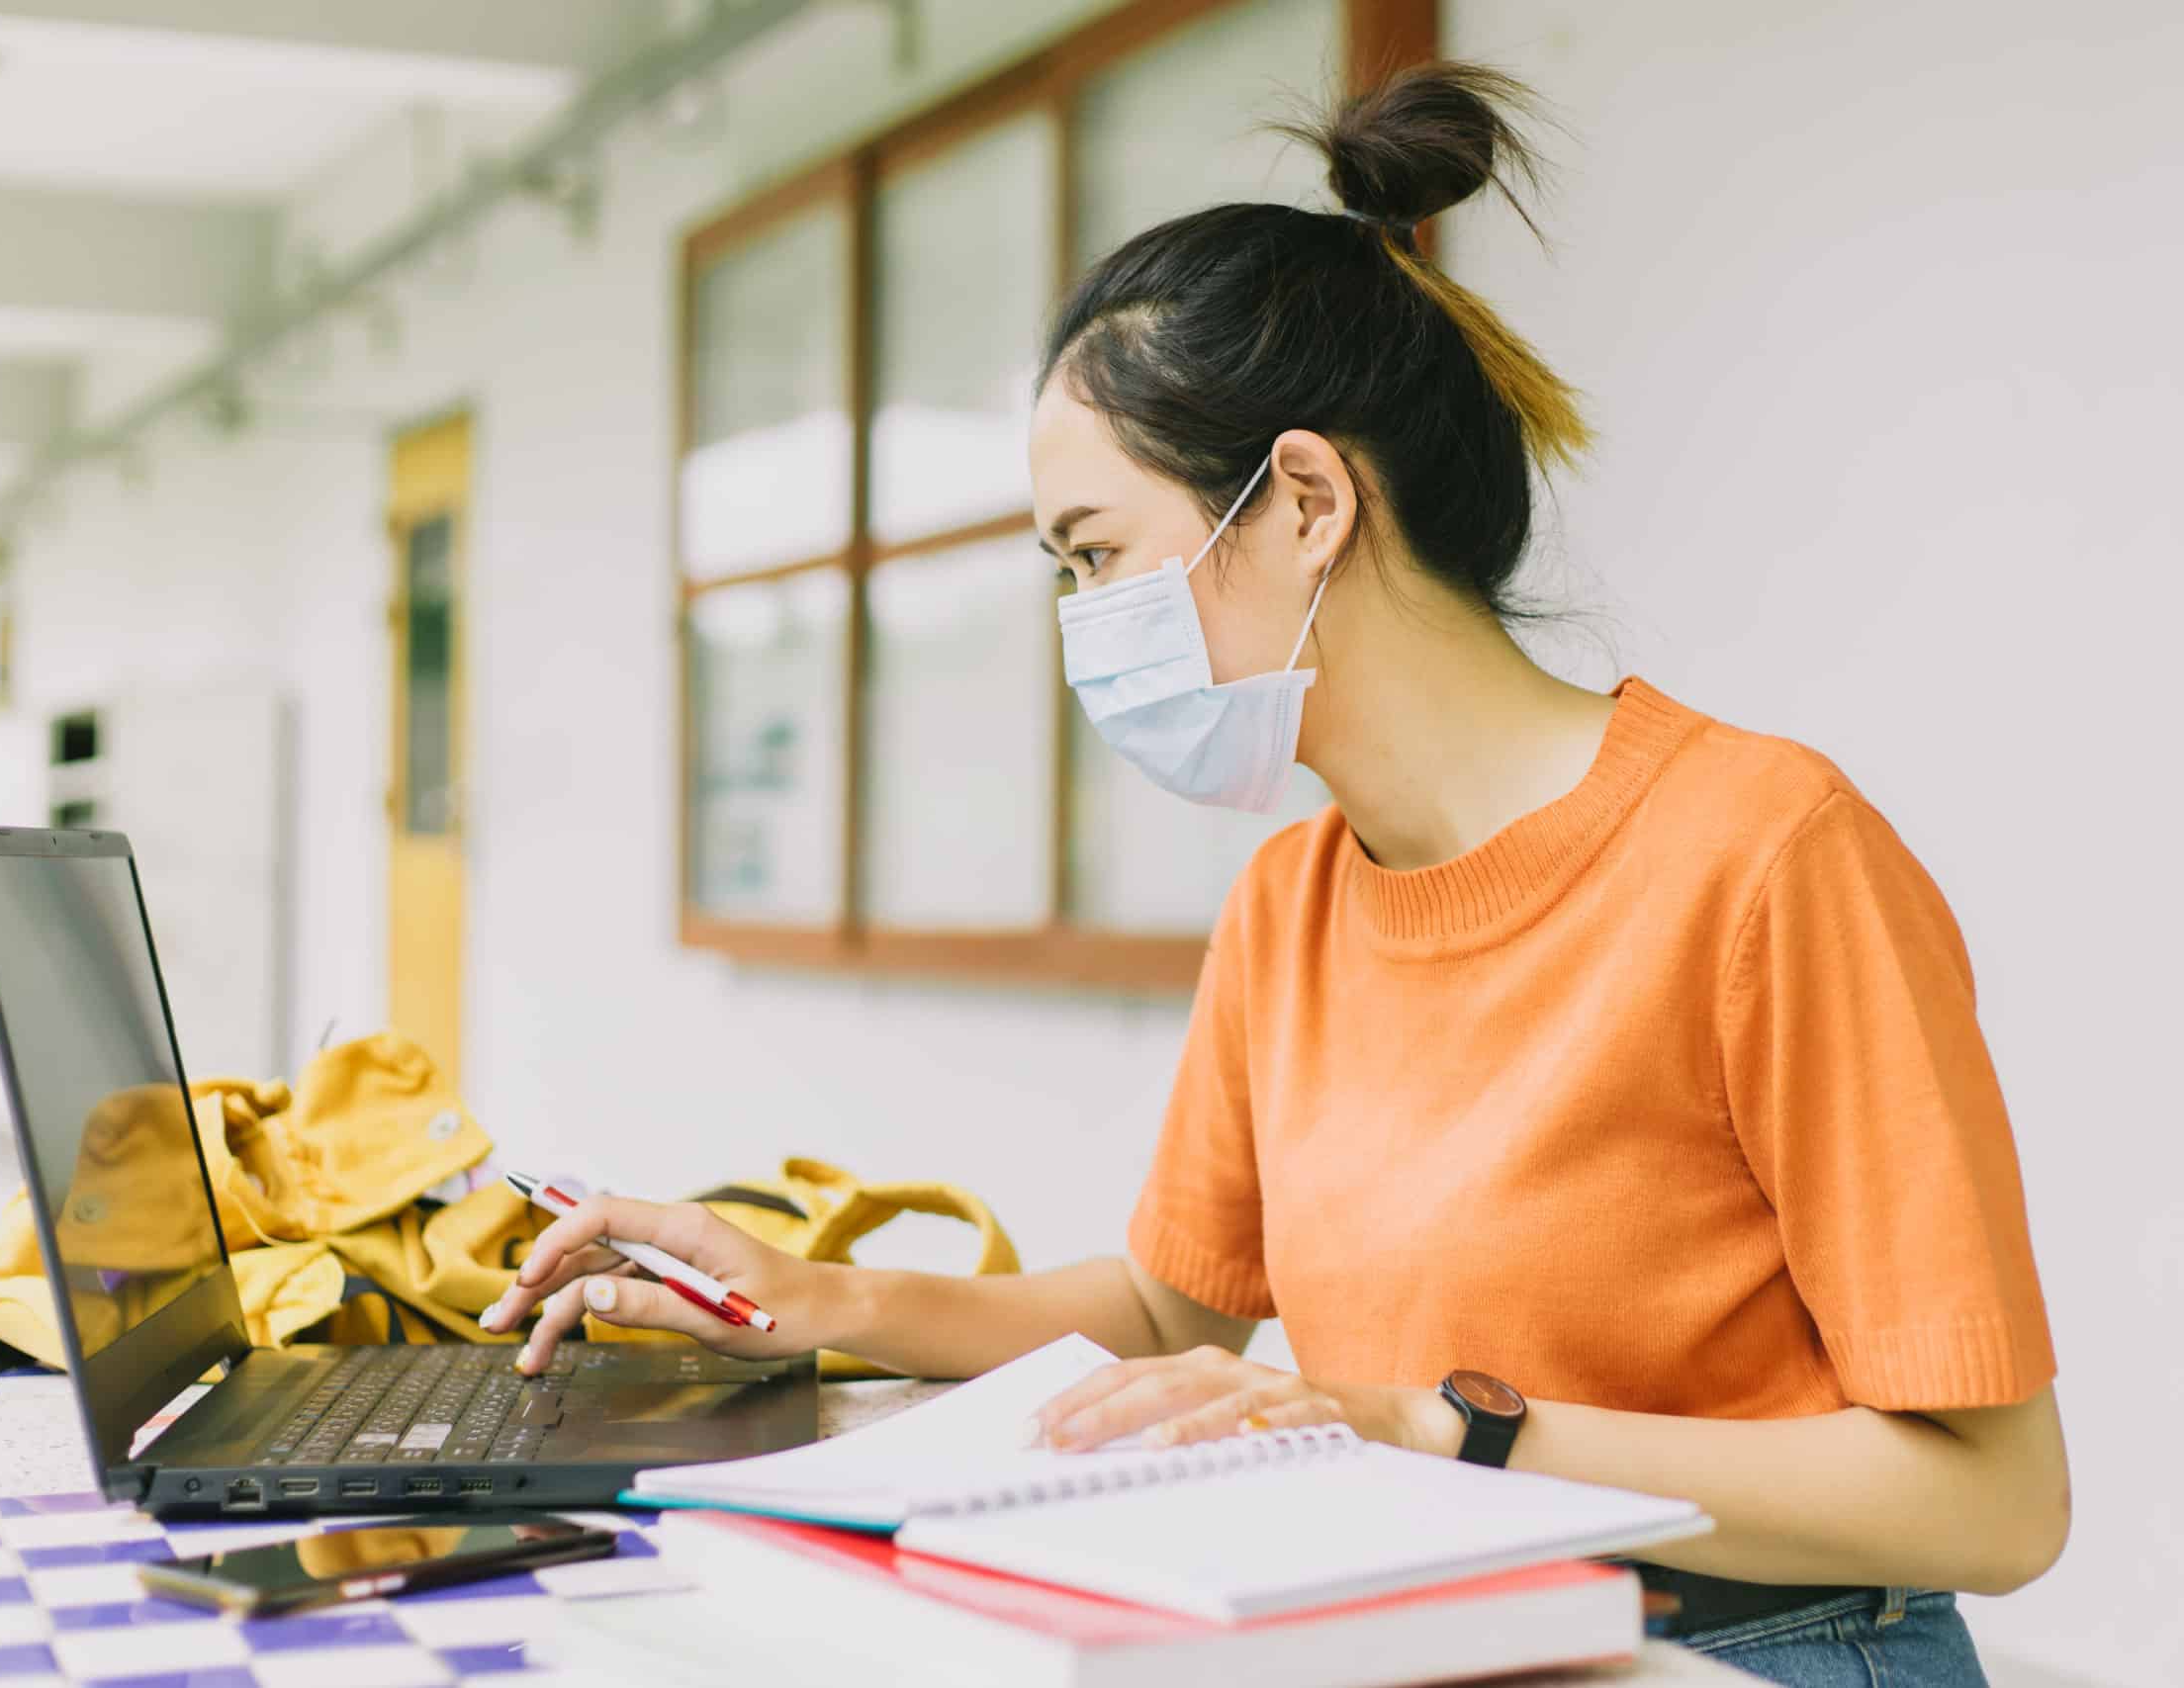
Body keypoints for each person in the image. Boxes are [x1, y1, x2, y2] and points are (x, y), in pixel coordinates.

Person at [483, 62, 2067, 1686]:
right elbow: (1179, 1325)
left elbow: (1993, 1508)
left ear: (1303, 500)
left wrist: (1417, 1427)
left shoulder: (1763, 852)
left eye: (1095, 555)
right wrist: (815, 1295)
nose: (1079, 618)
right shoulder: (1296, 897)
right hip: (1438, 1629)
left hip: (1755, 1655)